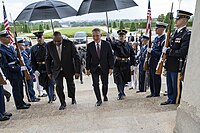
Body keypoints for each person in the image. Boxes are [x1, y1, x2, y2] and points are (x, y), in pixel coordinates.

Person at [161, 10, 193, 105]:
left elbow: (182, 52)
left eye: (178, 19)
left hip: (177, 63)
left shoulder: (186, 34)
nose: (176, 21)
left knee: (176, 84)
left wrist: (168, 51)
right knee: (169, 83)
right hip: (170, 63)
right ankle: (170, 98)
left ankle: (176, 100)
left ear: (184, 20)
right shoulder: (174, 33)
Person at [46, 31, 81, 110]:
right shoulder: (49, 46)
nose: (57, 43)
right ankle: (62, 102)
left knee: (70, 84)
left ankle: (72, 97)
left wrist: (77, 71)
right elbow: (47, 59)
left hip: (68, 68)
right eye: (55, 41)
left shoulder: (69, 44)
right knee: (58, 86)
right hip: (57, 69)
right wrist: (49, 72)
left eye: (59, 41)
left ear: (61, 38)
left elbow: (76, 57)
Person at [0, 30, 30, 110]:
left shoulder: (10, 47)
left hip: (17, 69)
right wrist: (16, 67)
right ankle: (19, 104)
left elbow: (16, 58)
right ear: (1, 39)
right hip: (11, 71)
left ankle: (21, 101)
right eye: (6, 37)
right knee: (16, 88)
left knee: (20, 87)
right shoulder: (1, 49)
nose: (9, 39)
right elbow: (4, 64)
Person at [86, 28, 114, 106]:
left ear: (101, 35)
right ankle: (98, 99)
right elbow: (88, 57)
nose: (95, 38)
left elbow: (110, 56)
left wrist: (111, 67)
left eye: (97, 36)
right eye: (93, 36)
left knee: (105, 83)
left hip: (104, 67)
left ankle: (104, 95)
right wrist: (87, 68)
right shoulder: (90, 46)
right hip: (94, 68)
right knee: (95, 84)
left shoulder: (107, 44)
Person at [31, 31, 56, 102]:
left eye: (40, 38)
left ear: (43, 38)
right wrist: (34, 70)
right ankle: (51, 94)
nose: (39, 39)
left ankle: (51, 97)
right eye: (38, 38)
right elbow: (33, 60)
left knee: (50, 82)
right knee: (44, 84)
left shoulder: (49, 46)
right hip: (40, 68)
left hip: (49, 66)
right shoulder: (34, 48)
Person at [146, 22, 167, 98]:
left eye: (157, 28)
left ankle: (156, 93)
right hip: (152, 61)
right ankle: (152, 92)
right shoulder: (156, 38)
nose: (156, 29)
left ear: (162, 29)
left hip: (157, 61)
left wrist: (151, 51)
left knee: (156, 78)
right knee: (151, 77)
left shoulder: (163, 39)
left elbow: (161, 53)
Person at [111, 29, 133, 100]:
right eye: (120, 36)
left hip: (126, 63)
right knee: (118, 79)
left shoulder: (129, 45)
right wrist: (109, 39)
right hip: (118, 63)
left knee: (124, 79)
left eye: (122, 36)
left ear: (125, 36)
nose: (121, 37)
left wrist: (133, 64)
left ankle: (122, 91)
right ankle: (120, 93)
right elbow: (110, 45)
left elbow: (132, 55)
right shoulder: (116, 44)